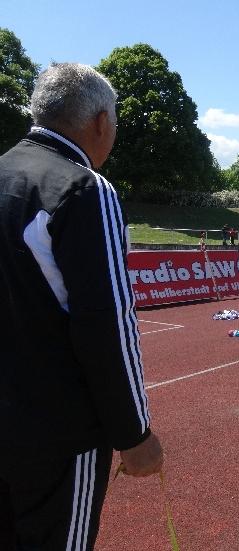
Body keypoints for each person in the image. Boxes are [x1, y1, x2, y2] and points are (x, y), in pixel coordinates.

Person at [0, 62, 163, 549]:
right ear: (100, 121)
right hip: (58, 433)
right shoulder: (85, 187)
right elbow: (107, 323)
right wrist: (135, 434)